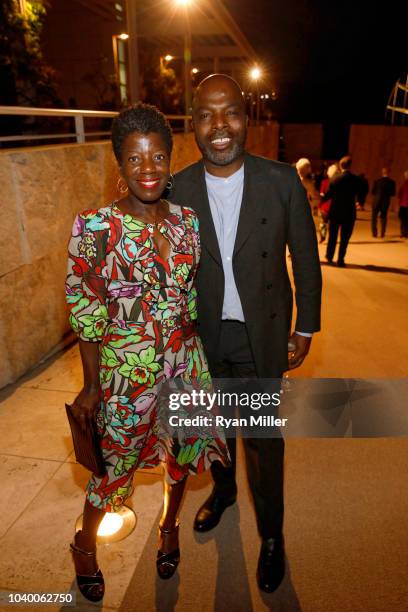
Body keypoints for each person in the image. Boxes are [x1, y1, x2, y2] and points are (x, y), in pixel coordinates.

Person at [65, 103, 229, 602]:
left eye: (158, 156)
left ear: (169, 158)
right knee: (114, 471)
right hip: (124, 376)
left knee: (179, 459)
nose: (149, 169)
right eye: (135, 159)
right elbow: (87, 315)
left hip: (184, 366)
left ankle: (168, 527)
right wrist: (92, 386)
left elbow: (192, 299)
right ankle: (84, 545)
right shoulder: (94, 229)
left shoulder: (188, 223)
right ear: (120, 164)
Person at [170, 74, 322, 593]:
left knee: (262, 439)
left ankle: (273, 536)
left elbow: (304, 258)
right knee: (219, 431)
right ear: (193, 124)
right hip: (206, 340)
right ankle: (225, 491)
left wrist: (305, 327)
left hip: (264, 334)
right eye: (207, 115)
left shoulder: (281, 181)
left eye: (231, 112)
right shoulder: (178, 188)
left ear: (246, 118)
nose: (219, 127)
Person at [322, 155, 362, 267]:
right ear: (350, 165)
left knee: (332, 236)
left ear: (340, 166)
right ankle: (340, 259)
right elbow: (360, 193)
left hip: (335, 212)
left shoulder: (335, 179)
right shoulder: (356, 180)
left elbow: (328, 195)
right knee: (345, 238)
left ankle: (329, 256)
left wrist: (320, 200)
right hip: (349, 212)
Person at [371, 167, 396, 237]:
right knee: (384, 217)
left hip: (376, 201)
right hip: (385, 201)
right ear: (389, 172)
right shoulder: (392, 182)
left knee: (374, 217)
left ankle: (374, 233)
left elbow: (373, 192)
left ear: (382, 172)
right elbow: (393, 194)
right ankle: (382, 233)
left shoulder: (377, 181)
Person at [319, 162, 340, 243]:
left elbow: (321, 193)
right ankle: (332, 238)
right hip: (335, 206)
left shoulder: (324, 182)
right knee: (333, 224)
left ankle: (322, 237)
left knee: (323, 223)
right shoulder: (338, 182)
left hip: (325, 206)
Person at [398, 170, 408, 238]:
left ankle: (403, 233)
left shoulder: (404, 184)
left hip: (403, 205)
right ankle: (406, 233)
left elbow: (399, 194)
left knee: (402, 220)